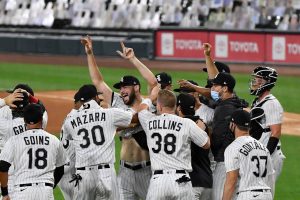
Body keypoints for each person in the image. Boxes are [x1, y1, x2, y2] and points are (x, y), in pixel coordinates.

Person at [81, 36, 157, 200]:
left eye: (126, 87)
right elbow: (98, 81)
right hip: (124, 172)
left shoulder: (147, 104)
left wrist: (133, 59)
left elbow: (154, 84)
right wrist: (89, 53)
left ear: (136, 87)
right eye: (120, 87)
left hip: (147, 170)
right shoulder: (115, 100)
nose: (122, 91)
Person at [62, 84, 133, 200]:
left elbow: (69, 137)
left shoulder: (69, 121)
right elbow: (134, 119)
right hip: (106, 174)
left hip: (83, 176)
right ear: (95, 97)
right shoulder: (110, 114)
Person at [138, 89, 210, 200]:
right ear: (175, 106)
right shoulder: (186, 123)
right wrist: (201, 128)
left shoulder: (149, 121)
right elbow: (206, 144)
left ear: (160, 106)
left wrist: (150, 98)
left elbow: (141, 109)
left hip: (158, 181)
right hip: (181, 180)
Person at [0, 104, 67, 200]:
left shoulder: (14, 140)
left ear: (24, 120)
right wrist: (51, 186)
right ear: (41, 119)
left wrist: (5, 192)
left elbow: (3, 166)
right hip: (45, 192)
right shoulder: (54, 140)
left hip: (22, 192)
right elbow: (60, 169)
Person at [223, 109, 274, 200]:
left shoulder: (232, 148)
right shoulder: (263, 147)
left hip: (248, 196)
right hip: (267, 195)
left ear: (233, 125)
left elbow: (231, 181)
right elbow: (270, 177)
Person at [249, 66, 285, 182]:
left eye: (259, 80)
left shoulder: (271, 103)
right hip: (260, 153)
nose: (255, 82)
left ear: (267, 82)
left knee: (264, 192)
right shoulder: (258, 101)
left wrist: (266, 156)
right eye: (255, 79)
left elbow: (275, 133)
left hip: (270, 155)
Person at [176, 93, 213, 200]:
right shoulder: (202, 124)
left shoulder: (180, 126)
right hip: (207, 181)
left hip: (191, 182)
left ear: (179, 107)